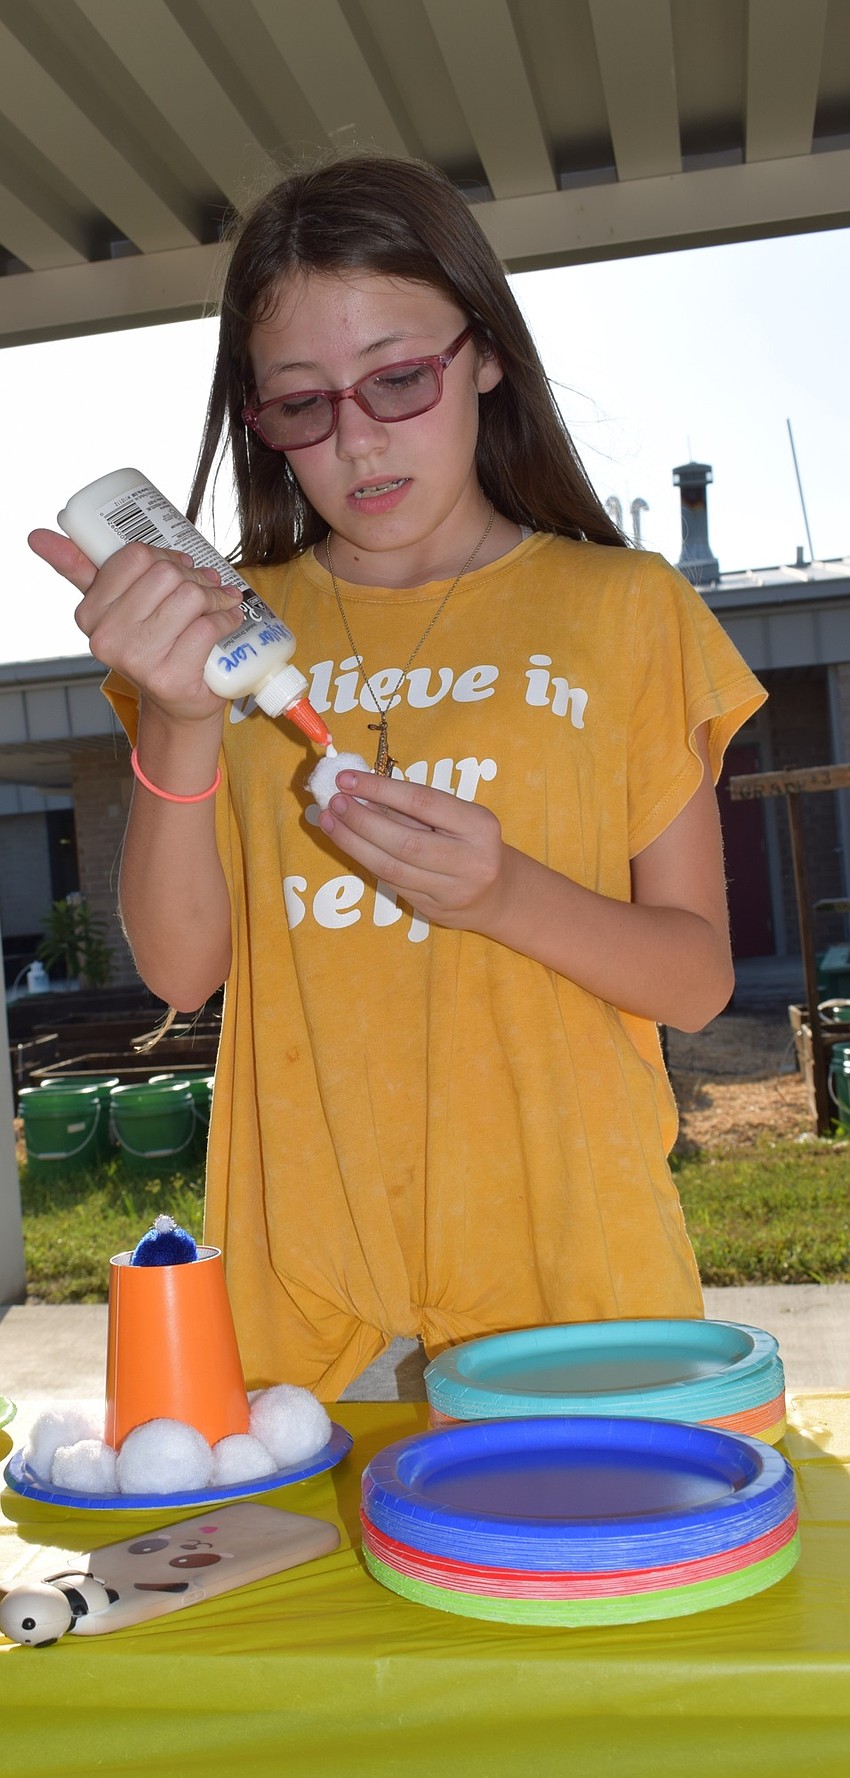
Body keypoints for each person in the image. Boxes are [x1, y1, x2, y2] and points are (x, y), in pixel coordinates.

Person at [30, 155, 766, 1399]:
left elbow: (695, 979)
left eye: (398, 378)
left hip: (570, 1277)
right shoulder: (229, 632)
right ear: (256, 416)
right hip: (311, 1303)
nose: (357, 439)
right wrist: (177, 717)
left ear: (483, 353)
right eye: (301, 403)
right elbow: (178, 969)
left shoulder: (628, 608)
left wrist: (503, 896)